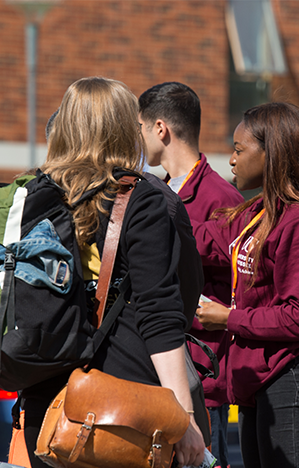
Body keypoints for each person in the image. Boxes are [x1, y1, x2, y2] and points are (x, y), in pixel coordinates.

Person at [21, 76, 205, 468]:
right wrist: (184, 417)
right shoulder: (146, 199)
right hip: (127, 408)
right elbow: (164, 313)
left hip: (49, 405)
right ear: (125, 128)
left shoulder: (34, 196)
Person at [193, 102, 299, 468]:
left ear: (271, 154)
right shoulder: (256, 213)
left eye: (239, 149)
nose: (230, 159)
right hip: (260, 377)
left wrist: (228, 318)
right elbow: (198, 239)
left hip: (295, 375)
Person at [139, 82, 244, 468]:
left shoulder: (223, 199)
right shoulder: (153, 194)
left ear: (160, 129)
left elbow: (243, 287)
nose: (140, 138)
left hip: (203, 380)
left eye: (141, 127)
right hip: (157, 378)